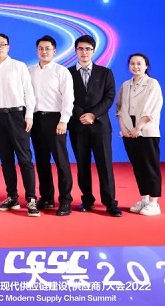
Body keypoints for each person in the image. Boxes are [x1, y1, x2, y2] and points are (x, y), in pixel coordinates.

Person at [0, 33, 39, 217]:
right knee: (6, 160)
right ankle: (12, 197)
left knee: (24, 159)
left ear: (8, 47)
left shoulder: (19, 66)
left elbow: (29, 92)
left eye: (2, 44)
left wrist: (29, 115)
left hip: (18, 115)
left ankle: (31, 199)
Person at [68, 35, 122, 217]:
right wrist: (80, 115)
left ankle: (110, 203)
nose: (84, 52)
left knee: (105, 165)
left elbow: (109, 97)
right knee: (82, 165)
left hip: (100, 126)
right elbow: (64, 97)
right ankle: (87, 200)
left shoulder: (105, 73)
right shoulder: (67, 73)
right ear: (75, 51)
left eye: (88, 49)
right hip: (78, 126)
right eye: (80, 49)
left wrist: (93, 114)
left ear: (93, 51)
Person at [28, 36, 74, 216]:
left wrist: (64, 120)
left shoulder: (61, 71)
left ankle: (65, 201)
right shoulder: (29, 71)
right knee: (41, 161)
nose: (44, 51)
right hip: (35, 119)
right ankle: (47, 197)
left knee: (61, 162)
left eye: (47, 48)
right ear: (36, 50)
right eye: (40, 48)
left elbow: (68, 98)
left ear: (54, 51)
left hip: (56, 119)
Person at [116, 53, 163, 216]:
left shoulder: (152, 83)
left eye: (139, 64)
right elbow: (119, 108)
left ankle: (154, 203)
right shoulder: (126, 85)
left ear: (146, 66)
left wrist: (138, 128)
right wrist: (124, 129)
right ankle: (144, 199)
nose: (135, 67)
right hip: (128, 132)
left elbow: (152, 108)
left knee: (150, 166)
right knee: (138, 167)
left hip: (147, 130)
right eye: (132, 63)